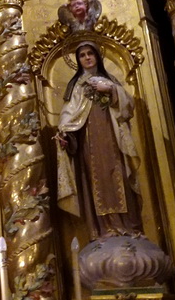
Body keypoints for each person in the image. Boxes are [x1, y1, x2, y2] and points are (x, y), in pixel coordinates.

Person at [55, 41, 142, 240]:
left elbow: (128, 106)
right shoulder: (77, 86)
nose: (86, 58)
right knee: (97, 180)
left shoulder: (109, 79)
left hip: (113, 140)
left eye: (90, 54)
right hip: (89, 143)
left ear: (97, 56)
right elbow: (69, 113)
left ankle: (127, 226)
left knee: (118, 175)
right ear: (78, 60)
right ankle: (103, 229)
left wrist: (111, 89)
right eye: (82, 55)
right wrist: (64, 133)